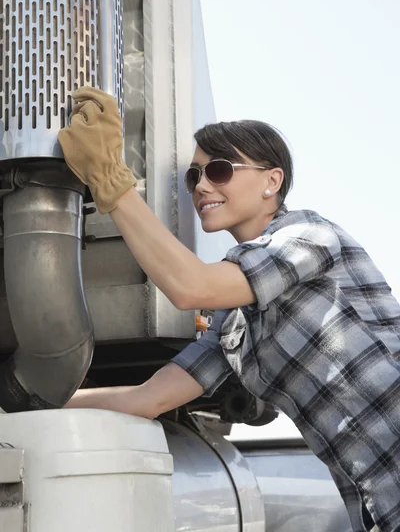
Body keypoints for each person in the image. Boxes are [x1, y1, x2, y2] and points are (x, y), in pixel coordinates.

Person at [59, 87, 400, 532]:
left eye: (219, 170)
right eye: (194, 176)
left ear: (271, 181)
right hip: (376, 506)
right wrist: (37, 405)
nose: (202, 185)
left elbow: (190, 286)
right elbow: (148, 398)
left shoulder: (309, 237)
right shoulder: (234, 324)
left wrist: (110, 179)